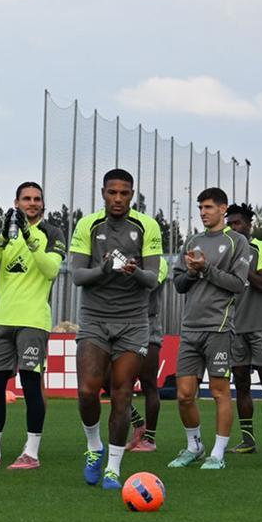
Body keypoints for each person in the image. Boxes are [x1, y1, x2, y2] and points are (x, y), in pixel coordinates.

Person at [69, 169, 163, 491]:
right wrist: (103, 269)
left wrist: (134, 272)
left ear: (132, 195)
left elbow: (153, 279)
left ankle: (113, 467)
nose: (118, 198)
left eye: (124, 193)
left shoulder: (147, 226)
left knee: (122, 394)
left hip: (134, 322)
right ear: (103, 193)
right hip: (94, 318)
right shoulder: (87, 225)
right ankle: (94, 446)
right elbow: (77, 275)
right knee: (87, 390)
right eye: (112, 192)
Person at [0, 180, 65, 469]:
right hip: (2, 320)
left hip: (33, 320)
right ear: (16, 203)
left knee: (31, 384)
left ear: (42, 204)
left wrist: (29, 237)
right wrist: (2, 240)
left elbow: (50, 271)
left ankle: (31, 453)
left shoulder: (52, 233)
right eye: (27, 198)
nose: (32, 203)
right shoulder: (3, 233)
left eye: (37, 199)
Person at [167, 188, 249, 471]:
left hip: (219, 327)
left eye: (209, 207)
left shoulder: (237, 241)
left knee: (219, 391)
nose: (203, 212)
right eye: (201, 207)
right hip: (190, 328)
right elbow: (177, 284)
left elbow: (239, 285)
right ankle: (194, 446)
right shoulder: (192, 240)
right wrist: (191, 272)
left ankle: (218, 452)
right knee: (184, 394)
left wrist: (206, 268)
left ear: (223, 209)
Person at [225, 203, 262, 455]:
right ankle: (248, 440)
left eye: (237, 223)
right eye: (230, 224)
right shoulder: (224, 249)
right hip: (235, 327)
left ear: (249, 225)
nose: (233, 228)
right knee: (240, 384)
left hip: (261, 326)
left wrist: (241, 265)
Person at [125, 256, 168, 453]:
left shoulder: (160, 262)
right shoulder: (127, 257)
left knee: (149, 382)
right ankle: (137, 422)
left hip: (148, 325)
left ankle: (149, 438)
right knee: (108, 379)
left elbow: (148, 286)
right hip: (123, 324)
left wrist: (128, 274)